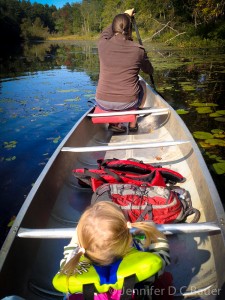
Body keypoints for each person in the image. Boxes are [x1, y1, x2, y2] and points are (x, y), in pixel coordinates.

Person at [53, 201, 171, 299]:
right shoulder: (142, 270)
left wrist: (80, 230)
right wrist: (155, 232)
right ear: (128, 238)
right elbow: (162, 257)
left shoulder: (70, 264)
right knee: (162, 283)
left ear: (81, 241)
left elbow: (72, 246)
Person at [95, 8, 154, 133]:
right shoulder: (139, 50)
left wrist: (125, 15)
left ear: (113, 28)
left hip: (102, 101)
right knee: (142, 84)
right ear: (129, 29)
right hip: (128, 103)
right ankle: (132, 124)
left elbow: (105, 33)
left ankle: (114, 123)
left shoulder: (102, 44)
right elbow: (149, 71)